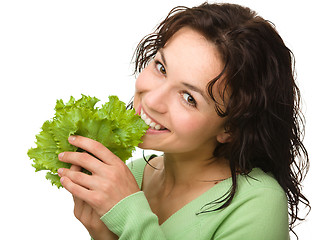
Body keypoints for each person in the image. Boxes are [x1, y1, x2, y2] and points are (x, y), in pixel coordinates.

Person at [56, 2, 310, 239]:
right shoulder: (132, 176)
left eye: (189, 98)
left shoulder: (258, 203)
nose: (153, 100)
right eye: (161, 68)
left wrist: (130, 216)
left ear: (230, 128)